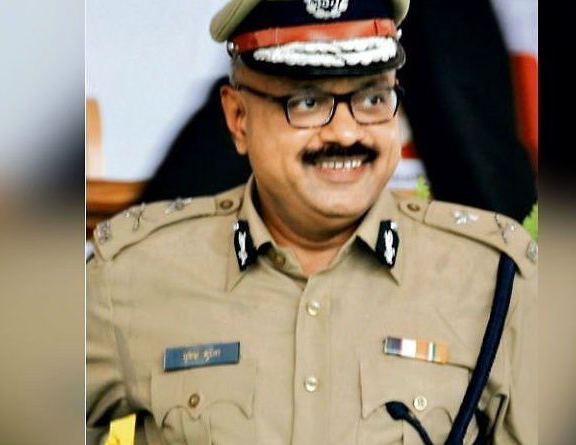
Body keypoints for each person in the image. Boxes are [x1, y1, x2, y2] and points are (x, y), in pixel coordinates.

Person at [87, 1, 537, 444]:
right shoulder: (132, 277)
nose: (346, 132)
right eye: (306, 102)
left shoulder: (492, 281)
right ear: (238, 118)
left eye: (372, 98)